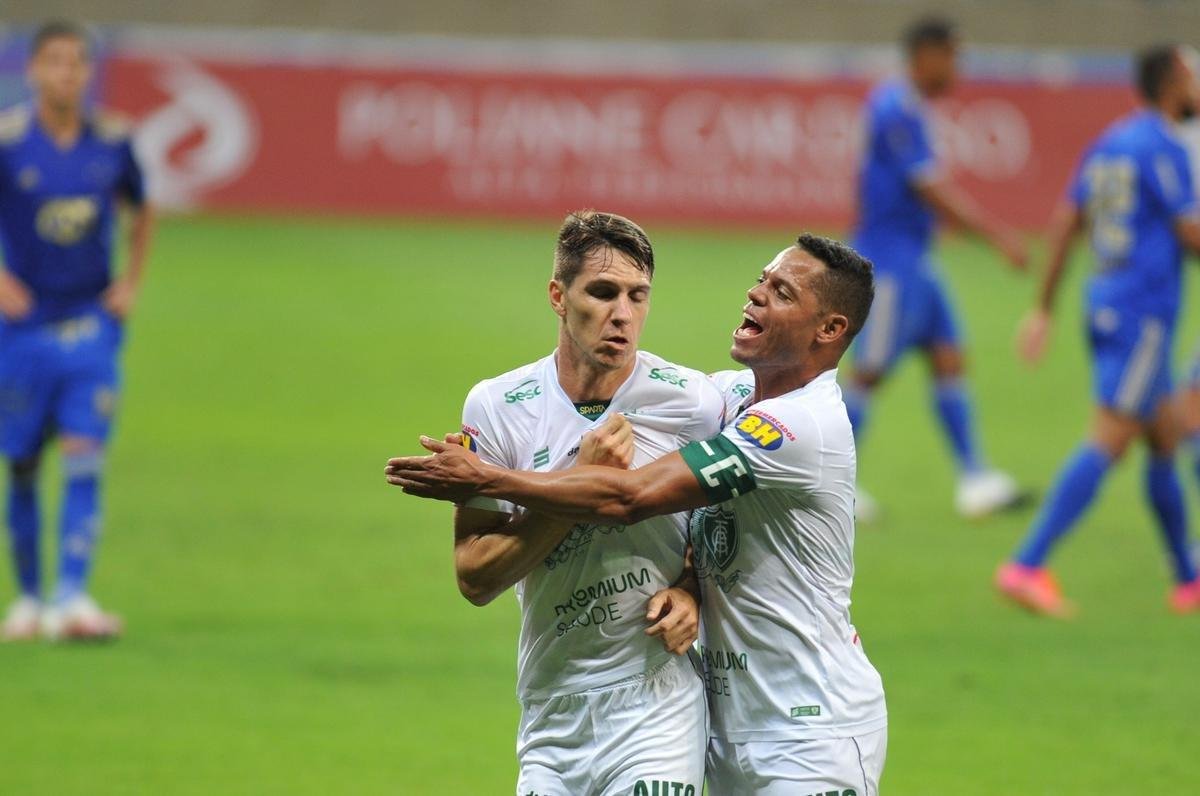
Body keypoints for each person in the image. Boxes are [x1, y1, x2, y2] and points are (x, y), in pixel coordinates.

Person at [388, 234, 888, 795]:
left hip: (812, 727)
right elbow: (708, 521)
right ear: (558, 296)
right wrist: (691, 583)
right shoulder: (723, 399)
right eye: (761, 280)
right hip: (729, 728)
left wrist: (485, 479)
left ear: (830, 329)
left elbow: (629, 499)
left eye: (782, 292)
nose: (755, 294)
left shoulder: (799, 426)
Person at [442, 210, 724, 795]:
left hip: (657, 700)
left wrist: (693, 589)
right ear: (558, 296)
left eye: (637, 295)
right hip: (552, 708)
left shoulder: (691, 403)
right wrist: (581, 481)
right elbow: (475, 577)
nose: (623, 314)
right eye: (602, 292)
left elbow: (724, 526)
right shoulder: (497, 407)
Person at [999, 44, 1200, 617]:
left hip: (1105, 302)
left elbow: (1067, 223)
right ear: (1173, 84)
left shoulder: (1111, 142)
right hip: (1143, 313)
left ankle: (1188, 580)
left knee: (1164, 437)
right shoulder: (1164, 146)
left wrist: (1043, 309)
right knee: (1110, 438)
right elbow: (1190, 233)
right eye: (1192, 76)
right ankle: (1026, 564)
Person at [0, 21, 153, 641]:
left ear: (89, 72)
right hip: (22, 329)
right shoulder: (9, 141)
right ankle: (29, 598)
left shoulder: (113, 141)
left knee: (85, 456)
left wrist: (131, 282)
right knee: (23, 463)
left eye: (77, 63)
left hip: (91, 325)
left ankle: (71, 597)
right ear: (34, 69)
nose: (67, 73)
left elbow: (143, 207)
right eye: (56, 61)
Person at [848, 15, 1028, 521]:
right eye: (952, 55)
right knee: (869, 371)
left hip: (917, 259)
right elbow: (928, 186)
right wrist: (997, 236)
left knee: (949, 357)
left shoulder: (910, 107)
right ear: (925, 55)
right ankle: (829, 484)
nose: (957, 66)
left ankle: (975, 479)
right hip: (888, 263)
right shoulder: (895, 107)